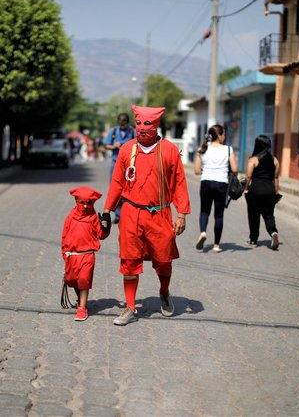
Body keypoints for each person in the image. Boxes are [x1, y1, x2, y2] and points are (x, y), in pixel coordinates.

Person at [102, 105, 190, 326]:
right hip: (131, 213)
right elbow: (116, 183)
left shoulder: (169, 150)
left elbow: (179, 182)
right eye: (139, 123)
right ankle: (130, 307)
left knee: (163, 260)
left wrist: (181, 214)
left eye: (147, 124)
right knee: (129, 260)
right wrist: (107, 210)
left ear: (156, 125)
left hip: (160, 214)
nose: (142, 128)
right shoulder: (126, 150)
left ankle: (164, 291)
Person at [61, 186, 111, 321]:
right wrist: (64, 253)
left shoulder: (93, 217)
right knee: (73, 281)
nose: (85, 206)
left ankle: (82, 308)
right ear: (76, 201)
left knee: (84, 279)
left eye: (89, 203)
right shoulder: (70, 217)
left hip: (87, 254)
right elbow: (64, 236)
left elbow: (100, 235)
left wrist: (105, 227)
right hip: (72, 255)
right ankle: (80, 299)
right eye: (82, 202)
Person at [193, 124, 237, 253]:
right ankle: (216, 245)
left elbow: (196, 171)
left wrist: (207, 170)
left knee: (204, 211)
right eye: (224, 134)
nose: (225, 137)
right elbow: (234, 169)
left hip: (206, 182)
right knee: (219, 215)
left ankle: (203, 232)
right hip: (221, 184)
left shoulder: (202, 149)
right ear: (220, 135)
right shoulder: (228, 149)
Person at [243, 135, 280, 250]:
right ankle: (273, 232)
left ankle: (253, 239)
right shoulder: (275, 160)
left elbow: (248, 176)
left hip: (255, 190)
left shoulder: (253, 160)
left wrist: (245, 188)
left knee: (254, 215)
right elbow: (276, 177)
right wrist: (276, 191)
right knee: (269, 215)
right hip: (270, 190)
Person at [103, 113, 136, 224]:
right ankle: (117, 214)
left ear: (127, 122)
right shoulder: (113, 131)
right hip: (115, 162)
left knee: (129, 188)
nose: (122, 126)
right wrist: (114, 146)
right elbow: (105, 145)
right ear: (118, 122)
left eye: (124, 124)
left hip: (130, 164)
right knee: (115, 189)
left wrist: (127, 146)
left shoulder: (132, 131)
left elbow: (138, 144)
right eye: (120, 124)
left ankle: (126, 214)